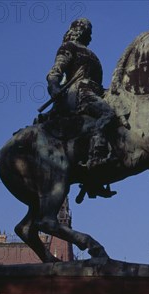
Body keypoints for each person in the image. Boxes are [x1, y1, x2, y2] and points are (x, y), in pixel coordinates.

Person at [46, 18, 116, 199]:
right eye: (84, 28)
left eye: (89, 30)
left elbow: (97, 83)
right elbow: (55, 72)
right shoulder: (68, 47)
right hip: (79, 94)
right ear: (75, 30)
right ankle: (96, 157)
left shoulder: (92, 54)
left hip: (94, 92)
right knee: (108, 113)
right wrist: (54, 87)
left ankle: (94, 179)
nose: (88, 32)